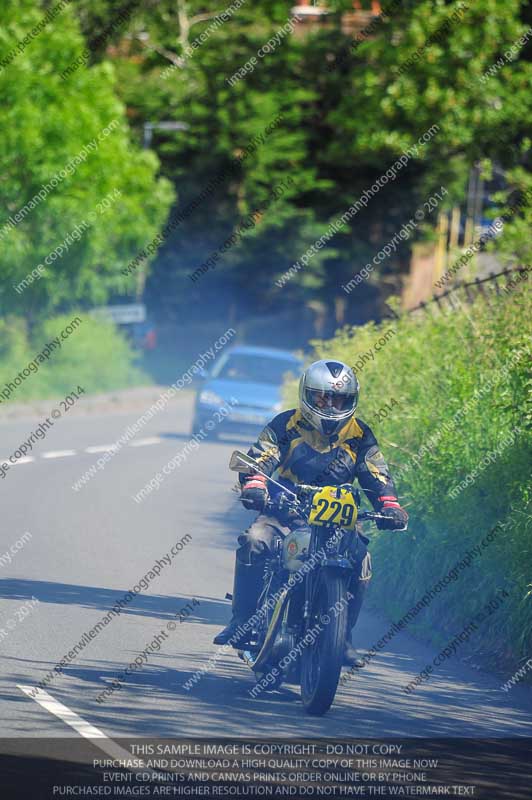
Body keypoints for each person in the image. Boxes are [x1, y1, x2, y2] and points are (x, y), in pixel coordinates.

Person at [214, 359, 408, 666]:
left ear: (352, 399)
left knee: (362, 559)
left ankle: (342, 639)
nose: (331, 407)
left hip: (339, 522)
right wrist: (254, 483)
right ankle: (242, 619)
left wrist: (389, 505)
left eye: (339, 400)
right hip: (283, 512)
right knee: (255, 540)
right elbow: (262, 456)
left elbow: (376, 472)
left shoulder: (360, 435)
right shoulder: (284, 424)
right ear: (307, 395)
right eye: (322, 398)